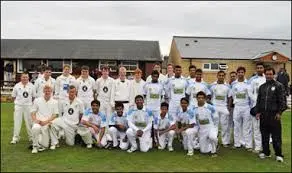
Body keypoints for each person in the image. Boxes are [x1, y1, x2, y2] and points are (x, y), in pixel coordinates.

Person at [256, 67, 287, 162]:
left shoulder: (279, 86)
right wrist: (258, 112)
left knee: (276, 136)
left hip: (274, 115)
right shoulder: (262, 87)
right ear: (264, 74)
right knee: (264, 135)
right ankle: (266, 152)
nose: (269, 76)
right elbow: (259, 101)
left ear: (274, 75)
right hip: (263, 115)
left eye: (271, 74)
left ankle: (278, 154)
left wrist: (279, 112)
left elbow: (282, 101)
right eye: (267, 74)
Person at [50, 85, 84, 149]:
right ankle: (55, 143)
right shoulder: (63, 101)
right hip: (63, 120)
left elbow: (81, 114)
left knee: (70, 144)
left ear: (76, 92)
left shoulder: (80, 102)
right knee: (52, 124)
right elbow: (62, 112)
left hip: (72, 124)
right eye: (70, 92)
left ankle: (73, 134)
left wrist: (78, 123)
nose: (72, 93)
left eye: (73, 92)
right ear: (68, 92)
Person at [229, 67, 253, 150]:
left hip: (246, 107)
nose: (240, 74)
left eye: (242, 72)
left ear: (244, 73)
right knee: (236, 126)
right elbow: (231, 96)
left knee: (247, 126)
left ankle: (248, 145)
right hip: (237, 107)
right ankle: (237, 143)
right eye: (239, 72)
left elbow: (251, 97)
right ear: (237, 73)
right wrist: (230, 106)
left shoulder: (248, 84)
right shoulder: (233, 84)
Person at [30, 85, 58, 153]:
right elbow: (33, 112)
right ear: (43, 91)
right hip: (38, 122)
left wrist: (46, 122)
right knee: (35, 128)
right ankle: (35, 147)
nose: (47, 92)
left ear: (51, 92)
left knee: (45, 145)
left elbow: (55, 115)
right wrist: (35, 120)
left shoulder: (55, 102)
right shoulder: (37, 100)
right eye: (46, 90)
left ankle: (40, 142)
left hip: (47, 123)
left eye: (49, 91)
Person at [10, 72, 36, 144]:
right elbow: (13, 97)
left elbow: (33, 97)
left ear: (28, 78)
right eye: (23, 77)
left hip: (28, 106)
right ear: (21, 77)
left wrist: (29, 104)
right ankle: (15, 138)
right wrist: (17, 104)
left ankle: (31, 137)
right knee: (17, 122)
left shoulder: (32, 86)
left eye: (26, 77)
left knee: (29, 122)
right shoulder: (17, 86)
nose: (25, 78)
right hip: (19, 106)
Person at [209, 71, 231, 147]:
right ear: (217, 76)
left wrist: (228, 108)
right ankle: (214, 140)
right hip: (214, 107)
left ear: (224, 76)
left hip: (223, 107)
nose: (221, 77)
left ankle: (225, 142)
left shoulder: (227, 86)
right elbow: (209, 97)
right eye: (219, 75)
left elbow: (229, 98)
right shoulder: (212, 85)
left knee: (224, 125)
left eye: (222, 75)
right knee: (215, 125)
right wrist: (211, 106)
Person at [248, 62, 266, 153]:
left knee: (265, 127)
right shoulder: (253, 80)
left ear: (263, 69)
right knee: (256, 127)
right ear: (256, 69)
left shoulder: (267, 78)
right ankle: (258, 147)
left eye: (261, 68)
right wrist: (256, 100)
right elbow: (250, 92)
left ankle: (265, 146)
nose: (259, 69)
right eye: (258, 68)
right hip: (256, 106)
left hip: (266, 107)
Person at [195, 91, 218, 157]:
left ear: (205, 99)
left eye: (202, 98)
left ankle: (214, 151)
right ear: (196, 98)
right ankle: (209, 144)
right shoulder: (194, 108)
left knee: (213, 137)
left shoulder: (211, 107)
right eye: (199, 98)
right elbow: (195, 121)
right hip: (201, 129)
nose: (200, 99)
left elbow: (216, 118)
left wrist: (215, 128)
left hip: (210, 127)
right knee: (204, 151)